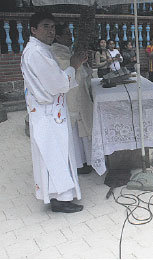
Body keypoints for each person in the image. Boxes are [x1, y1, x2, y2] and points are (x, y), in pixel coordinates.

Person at [21, 12, 87, 213]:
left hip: (50, 111)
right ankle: (61, 200)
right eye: (46, 26)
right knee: (55, 155)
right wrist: (74, 66)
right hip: (48, 113)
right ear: (33, 29)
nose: (51, 31)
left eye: (53, 27)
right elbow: (59, 83)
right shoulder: (36, 53)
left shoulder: (40, 49)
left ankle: (61, 197)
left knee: (55, 154)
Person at [51, 23, 94, 175]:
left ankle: (88, 161)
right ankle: (78, 164)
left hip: (77, 96)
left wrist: (81, 62)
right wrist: (78, 64)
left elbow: (79, 68)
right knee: (76, 133)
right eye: (67, 34)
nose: (71, 37)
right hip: (70, 100)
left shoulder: (66, 50)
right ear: (58, 37)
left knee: (82, 131)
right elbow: (67, 70)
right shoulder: (56, 52)